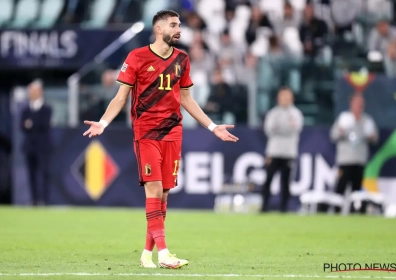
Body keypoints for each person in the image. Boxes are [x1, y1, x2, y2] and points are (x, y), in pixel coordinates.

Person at [83, 10, 238, 269]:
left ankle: (147, 253)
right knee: (153, 189)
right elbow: (121, 97)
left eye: (179, 25)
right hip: (146, 131)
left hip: (173, 132)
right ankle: (164, 253)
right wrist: (103, 122)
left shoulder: (182, 59)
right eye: (174, 25)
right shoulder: (136, 57)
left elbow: (187, 99)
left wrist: (212, 127)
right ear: (159, 29)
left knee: (163, 195)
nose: (179, 29)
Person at [330, 94, 378, 213]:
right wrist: (341, 132)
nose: (358, 105)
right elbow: (333, 135)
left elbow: (375, 138)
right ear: (351, 104)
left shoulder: (367, 120)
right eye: (356, 102)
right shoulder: (344, 118)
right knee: (341, 187)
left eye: (360, 103)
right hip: (345, 160)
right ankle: (336, 211)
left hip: (360, 160)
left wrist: (371, 137)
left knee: (356, 190)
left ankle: (354, 212)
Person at [261, 87, 303, 213]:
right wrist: (286, 127)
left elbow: (295, 129)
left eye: (287, 96)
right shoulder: (273, 113)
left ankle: (284, 208)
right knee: (268, 180)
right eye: (282, 96)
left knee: (285, 183)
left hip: (289, 153)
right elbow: (268, 129)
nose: (284, 99)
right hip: (273, 152)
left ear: (291, 98)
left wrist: (279, 127)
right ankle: (264, 207)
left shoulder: (296, 113)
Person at [20, 80, 52, 206]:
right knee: (31, 174)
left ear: (40, 92)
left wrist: (31, 124)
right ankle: (34, 200)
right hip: (29, 146)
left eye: (34, 91)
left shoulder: (46, 108)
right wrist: (31, 124)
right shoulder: (25, 109)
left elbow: (44, 124)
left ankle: (44, 200)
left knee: (44, 173)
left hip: (43, 146)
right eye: (30, 91)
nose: (31, 93)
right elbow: (22, 126)